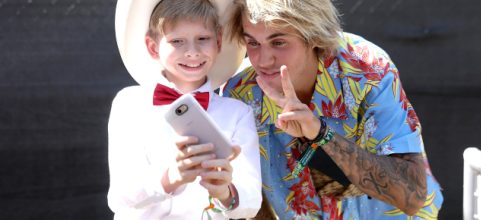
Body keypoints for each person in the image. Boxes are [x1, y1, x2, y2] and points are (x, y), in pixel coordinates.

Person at [222, 0, 443, 219]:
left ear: (314, 36)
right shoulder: (241, 92)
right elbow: (251, 201)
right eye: (252, 43)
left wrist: (320, 135)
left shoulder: (367, 71)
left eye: (278, 42)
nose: (262, 59)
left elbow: (411, 196)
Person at [108, 0, 262, 219]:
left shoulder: (237, 113)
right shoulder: (129, 104)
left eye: (203, 39)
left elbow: (251, 202)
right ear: (153, 47)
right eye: (177, 41)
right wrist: (170, 177)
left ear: (218, 42)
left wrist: (225, 191)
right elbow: (119, 197)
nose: (192, 52)